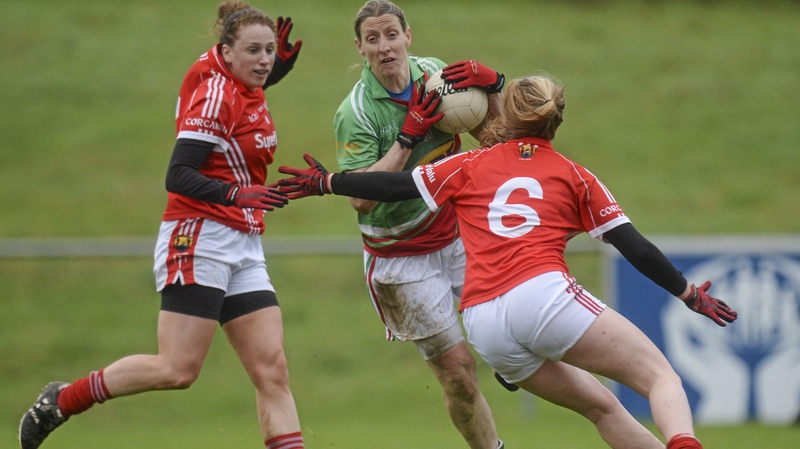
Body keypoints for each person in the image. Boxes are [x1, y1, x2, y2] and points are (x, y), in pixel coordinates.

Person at [276, 73, 739, 449]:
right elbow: (633, 245)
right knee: (660, 378)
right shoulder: (574, 174)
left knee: (602, 408)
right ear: (555, 123)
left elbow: (396, 187)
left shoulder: (471, 164)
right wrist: (689, 293)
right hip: (543, 296)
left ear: (506, 118)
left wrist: (330, 182)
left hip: (485, 324)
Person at [19, 3, 306, 449]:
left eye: (269, 50)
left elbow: (237, 118)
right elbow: (178, 174)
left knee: (273, 371)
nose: (265, 60)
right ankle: (62, 399)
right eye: (253, 51)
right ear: (225, 52)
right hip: (200, 235)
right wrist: (237, 194)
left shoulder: (236, 82)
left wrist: (273, 71)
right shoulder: (216, 94)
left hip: (244, 239)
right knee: (177, 370)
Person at [332, 1, 505, 448]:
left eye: (391, 34)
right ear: (361, 48)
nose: (385, 46)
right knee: (459, 374)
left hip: (459, 235)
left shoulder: (436, 76)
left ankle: (509, 362)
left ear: (408, 35)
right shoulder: (356, 112)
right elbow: (359, 198)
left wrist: (497, 88)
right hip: (400, 259)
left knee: (509, 331)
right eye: (373, 39)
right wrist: (407, 139)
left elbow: (497, 137)